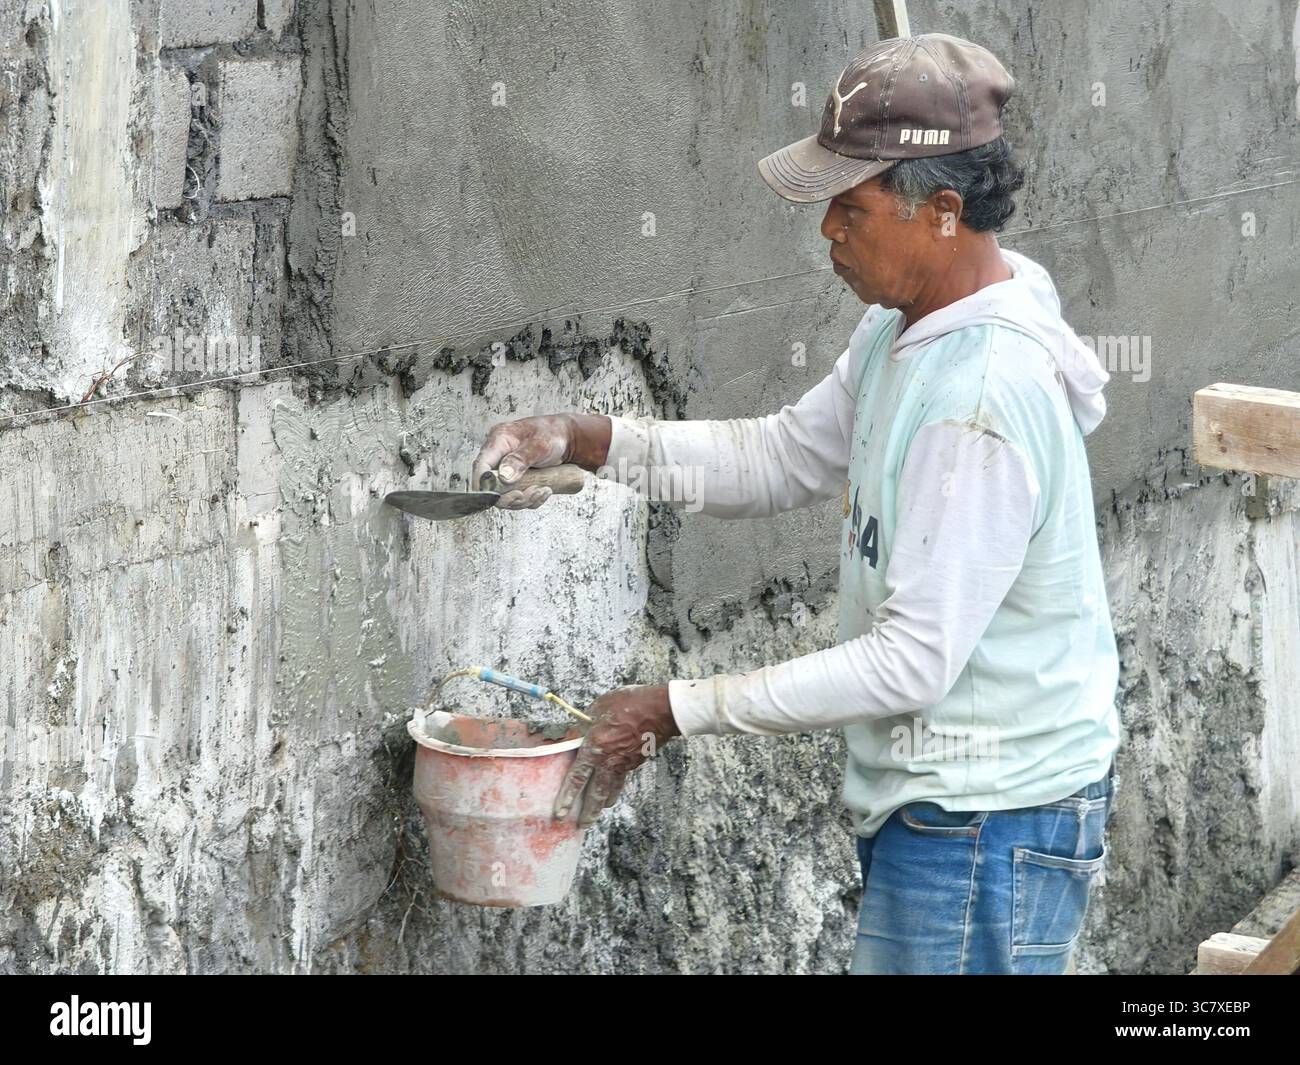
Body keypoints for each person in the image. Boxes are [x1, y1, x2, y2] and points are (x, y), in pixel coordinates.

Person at [471, 33, 1119, 975]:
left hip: (989, 820)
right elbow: (783, 456)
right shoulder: (912, 324)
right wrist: (587, 437)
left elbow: (911, 663)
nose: (828, 234)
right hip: (954, 813)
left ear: (941, 212)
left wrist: (674, 705)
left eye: (849, 210)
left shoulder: (979, 399)